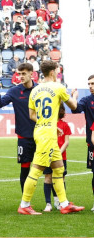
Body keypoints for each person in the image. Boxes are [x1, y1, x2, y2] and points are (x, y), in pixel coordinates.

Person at [18, 60, 84, 215]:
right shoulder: (59, 87)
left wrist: (49, 124)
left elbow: (32, 115)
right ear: (54, 71)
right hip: (47, 135)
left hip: (42, 131)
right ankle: (24, 205)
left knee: (59, 168)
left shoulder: (35, 90)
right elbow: (74, 106)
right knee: (37, 169)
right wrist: (74, 95)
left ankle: (64, 204)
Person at [0, 63, 36, 192]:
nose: (20, 76)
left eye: (23, 74)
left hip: (40, 134)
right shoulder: (14, 91)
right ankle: (25, 201)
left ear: (31, 74)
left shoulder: (40, 89)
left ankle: (52, 202)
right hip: (23, 136)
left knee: (48, 168)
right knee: (25, 169)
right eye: (19, 74)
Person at [71, 74, 94, 211]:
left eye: (93, 83)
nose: (91, 86)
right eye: (89, 84)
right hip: (92, 144)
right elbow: (75, 110)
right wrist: (74, 97)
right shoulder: (86, 100)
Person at [43, 103, 71, 212]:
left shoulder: (65, 125)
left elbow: (66, 142)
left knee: (61, 178)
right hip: (47, 156)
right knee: (48, 177)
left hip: (61, 156)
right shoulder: (47, 124)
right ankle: (48, 203)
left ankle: (59, 201)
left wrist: (58, 153)